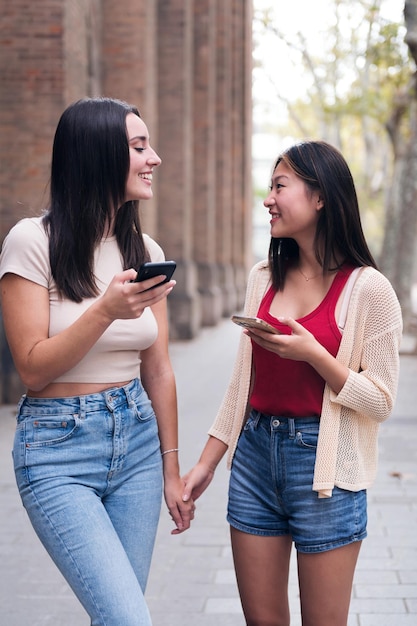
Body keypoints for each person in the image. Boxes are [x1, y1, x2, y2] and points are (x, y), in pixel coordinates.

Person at [182, 140, 402, 626]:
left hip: (326, 474)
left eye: (280, 186)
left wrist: (315, 356)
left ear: (320, 196)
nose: (268, 200)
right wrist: (205, 465)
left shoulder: (370, 290)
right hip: (255, 461)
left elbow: (382, 401)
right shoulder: (263, 278)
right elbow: (241, 386)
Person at [0, 97, 194, 626]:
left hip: (135, 444)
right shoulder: (31, 242)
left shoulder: (144, 248)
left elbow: (159, 370)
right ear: (95, 155)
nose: (154, 158)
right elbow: (33, 369)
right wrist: (106, 311)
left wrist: (171, 471)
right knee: (129, 618)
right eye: (138, 146)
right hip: (57, 451)